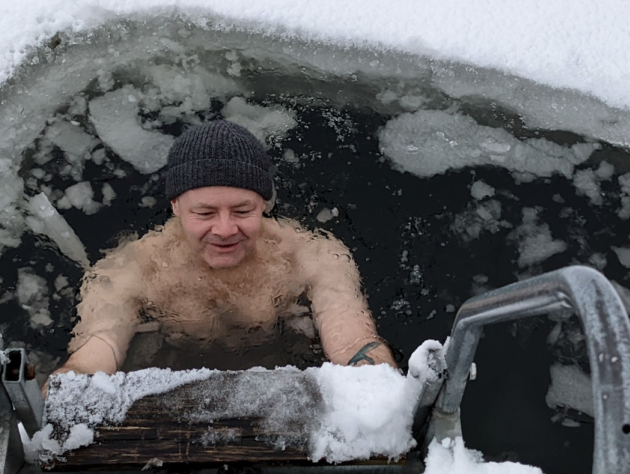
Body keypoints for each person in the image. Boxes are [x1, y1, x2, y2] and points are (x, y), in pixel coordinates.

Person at [51, 119, 397, 377]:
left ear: (263, 203)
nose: (225, 229)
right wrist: (66, 385)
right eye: (204, 213)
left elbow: (352, 342)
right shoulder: (134, 268)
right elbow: (96, 352)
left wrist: (374, 378)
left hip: (286, 380)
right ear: (175, 206)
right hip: (170, 383)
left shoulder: (310, 255)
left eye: (243, 211)